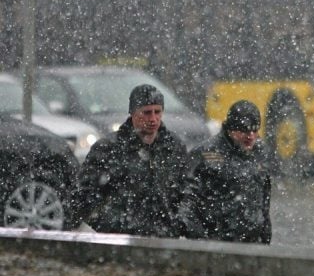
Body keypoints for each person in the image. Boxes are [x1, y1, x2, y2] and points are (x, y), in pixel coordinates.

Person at [69, 84, 197, 237]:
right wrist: (114, 226)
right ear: (133, 113)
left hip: (164, 238)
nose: (153, 119)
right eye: (147, 113)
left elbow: (188, 189)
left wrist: (179, 222)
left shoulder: (173, 146)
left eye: (158, 112)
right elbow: (85, 196)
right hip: (121, 239)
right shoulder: (109, 148)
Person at [189, 100, 272, 243]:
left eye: (255, 130)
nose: (251, 136)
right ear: (230, 129)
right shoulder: (205, 154)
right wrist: (202, 237)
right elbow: (187, 201)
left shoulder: (260, 152)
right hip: (218, 241)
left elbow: (264, 199)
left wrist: (265, 233)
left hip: (253, 242)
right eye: (244, 130)